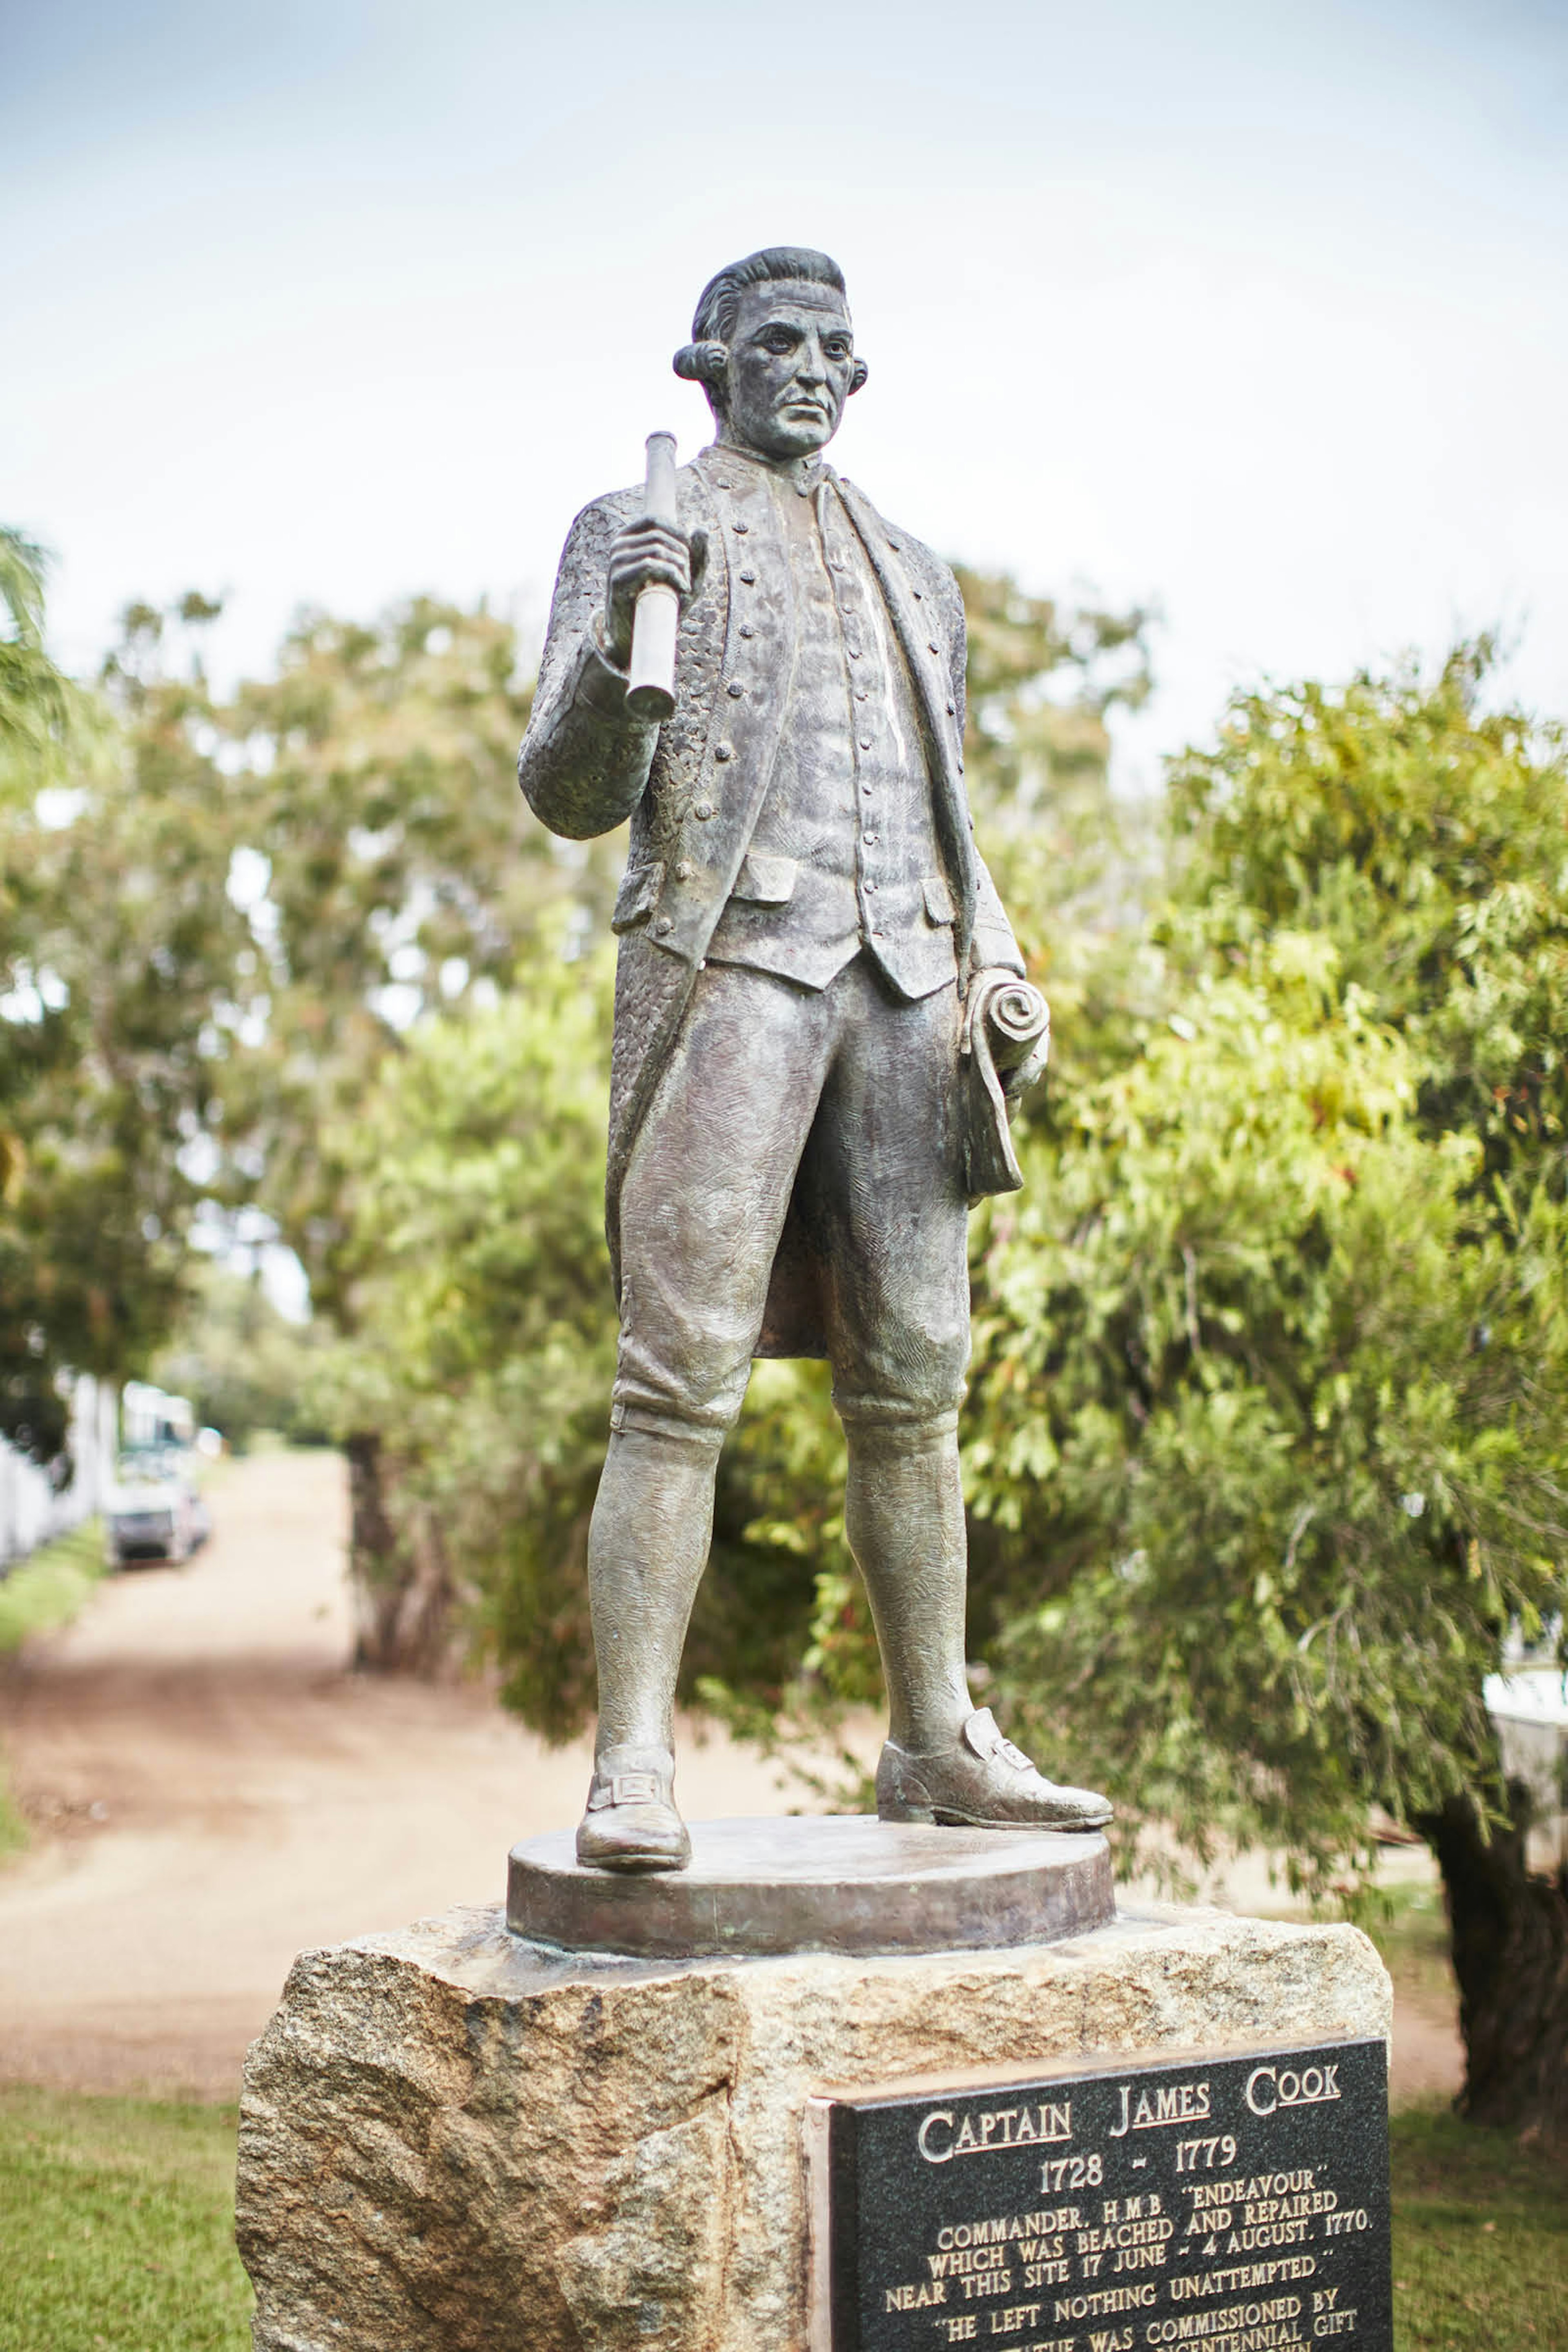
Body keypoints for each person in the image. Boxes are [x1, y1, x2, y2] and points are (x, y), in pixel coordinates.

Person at [519, 246, 1111, 1869]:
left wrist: (997, 957)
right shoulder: (637, 530)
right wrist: (607, 665)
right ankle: (631, 1764)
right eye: (777, 342)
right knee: (675, 1380)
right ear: (707, 365)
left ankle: (935, 1737)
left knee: (920, 1388)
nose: (812, 368)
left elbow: (948, 803)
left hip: (912, 986)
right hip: (736, 973)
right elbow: (570, 793)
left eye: (837, 348)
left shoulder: (919, 569)